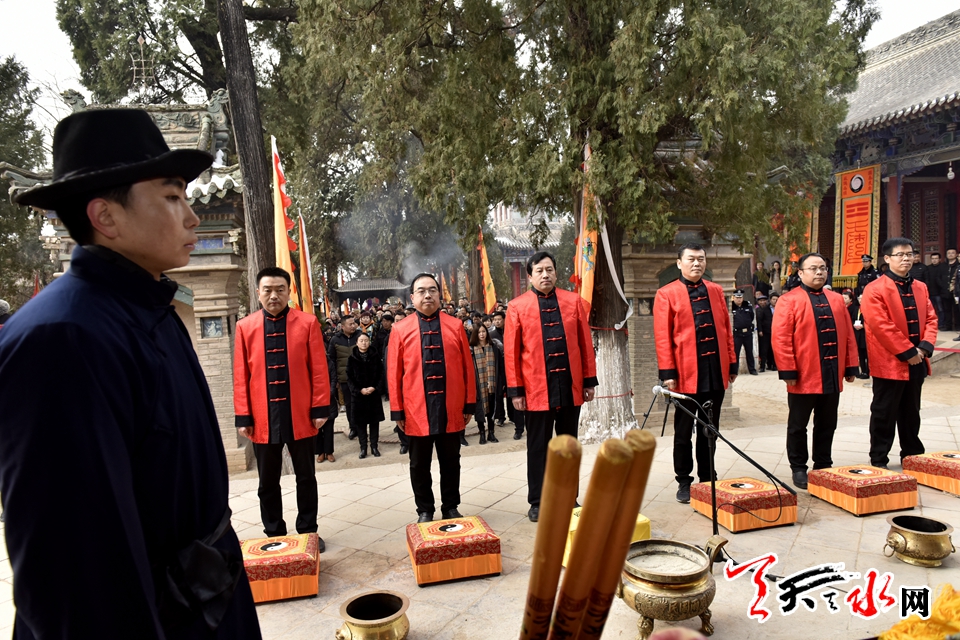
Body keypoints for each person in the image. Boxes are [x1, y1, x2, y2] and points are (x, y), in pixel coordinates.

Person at [0, 109, 261, 637]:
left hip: (204, 598)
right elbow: (72, 575)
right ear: (106, 216)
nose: (192, 217)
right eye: (172, 197)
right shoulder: (62, 338)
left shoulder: (148, 307)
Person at [234, 267, 331, 550]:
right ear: (258, 293)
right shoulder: (245, 326)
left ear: (289, 292)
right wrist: (243, 415)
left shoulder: (308, 323)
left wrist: (320, 408)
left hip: (300, 414)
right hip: (262, 417)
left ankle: (308, 531)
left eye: (280, 289)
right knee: (267, 482)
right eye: (268, 290)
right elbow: (241, 375)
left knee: (306, 477)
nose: (274, 295)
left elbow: (318, 369)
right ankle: (274, 532)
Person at [505, 251, 598, 522]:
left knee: (568, 446)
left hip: (570, 387)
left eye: (549, 269)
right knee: (538, 448)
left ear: (556, 273)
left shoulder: (574, 301)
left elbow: (585, 345)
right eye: (539, 271)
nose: (545, 275)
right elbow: (511, 353)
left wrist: (589, 381)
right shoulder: (517, 307)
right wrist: (516, 391)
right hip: (535, 390)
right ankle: (537, 501)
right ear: (530, 276)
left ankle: (570, 498)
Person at [654, 243, 738, 504]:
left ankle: (707, 477)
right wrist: (668, 372)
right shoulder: (666, 294)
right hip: (684, 375)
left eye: (701, 259)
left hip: (714, 371)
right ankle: (684, 480)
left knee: (710, 428)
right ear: (679, 263)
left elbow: (726, 329)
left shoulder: (715, 290)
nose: (697, 263)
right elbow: (663, 337)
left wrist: (732, 364)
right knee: (683, 431)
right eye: (691, 259)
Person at [388, 273, 476, 522]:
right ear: (412, 297)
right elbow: (394, 374)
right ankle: (425, 509)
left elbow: (467, 368)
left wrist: (469, 403)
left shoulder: (455, 325)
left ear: (439, 295)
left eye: (432, 290)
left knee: (451, 461)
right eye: (422, 291)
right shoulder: (399, 329)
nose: (427, 295)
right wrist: (397, 411)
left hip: (451, 406)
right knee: (419, 464)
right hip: (415, 409)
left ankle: (451, 506)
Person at [771, 253, 859, 489]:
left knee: (827, 423)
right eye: (813, 268)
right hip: (803, 375)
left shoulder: (837, 300)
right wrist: (788, 371)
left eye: (823, 268)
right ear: (800, 273)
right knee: (798, 425)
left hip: (832, 372)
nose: (819, 272)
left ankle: (823, 464)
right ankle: (798, 467)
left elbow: (848, 335)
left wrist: (850, 365)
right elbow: (780, 339)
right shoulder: (788, 300)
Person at [861, 238, 938, 469]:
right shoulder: (874, 289)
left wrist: (924, 348)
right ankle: (879, 458)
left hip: (918, 360)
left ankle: (912, 455)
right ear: (887, 258)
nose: (906, 258)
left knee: (911, 411)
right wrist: (907, 352)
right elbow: (881, 325)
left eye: (909, 254)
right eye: (900, 255)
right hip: (889, 362)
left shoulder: (920, 287)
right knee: (884, 412)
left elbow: (931, 319)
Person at [347, 332, 385, 458]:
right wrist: (359, 390)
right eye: (361, 341)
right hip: (359, 397)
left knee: (374, 423)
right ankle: (363, 448)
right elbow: (349, 377)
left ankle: (374, 447)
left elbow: (381, 374)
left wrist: (375, 388)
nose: (364, 343)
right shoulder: (352, 358)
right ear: (356, 343)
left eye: (366, 340)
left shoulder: (375, 356)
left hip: (373, 395)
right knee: (360, 424)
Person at [471, 324, 505, 444]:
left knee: (491, 409)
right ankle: (482, 433)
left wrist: (502, 382)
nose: (482, 334)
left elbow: (500, 367)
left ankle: (491, 432)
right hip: (478, 385)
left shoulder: (494, 347)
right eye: (479, 332)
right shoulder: (471, 350)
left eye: (483, 331)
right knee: (480, 410)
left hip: (492, 384)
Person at [328, 313, 360, 439]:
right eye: (350, 324)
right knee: (349, 404)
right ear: (342, 326)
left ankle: (361, 427)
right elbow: (331, 360)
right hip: (344, 378)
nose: (353, 326)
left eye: (354, 323)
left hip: (360, 377)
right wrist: (334, 379)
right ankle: (353, 427)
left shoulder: (360, 336)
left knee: (361, 404)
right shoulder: (335, 340)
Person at [731, 289, 758, 375]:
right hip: (737, 333)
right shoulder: (731, 306)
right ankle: (734, 371)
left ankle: (752, 370)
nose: (739, 299)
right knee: (736, 353)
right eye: (737, 297)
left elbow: (751, 316)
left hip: (747, 333)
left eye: (740, 297)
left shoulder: (747, 305)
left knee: (749, 352)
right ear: (734, 298)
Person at [755, 293, 774, 372]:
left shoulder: (768, 309)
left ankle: (771, 365)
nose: (762, 302)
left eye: (764, 300)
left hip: (771, 331)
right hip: (763, 332)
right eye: (761, 301)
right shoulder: (757, 310)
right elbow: (759, 321)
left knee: (771, 349)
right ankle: (762, 366)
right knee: (763, 349)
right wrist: (760, 330)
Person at [927, 252, 947, 329]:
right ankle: (932, 325)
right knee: (930, 311)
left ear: (940, 259)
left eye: (936, 258)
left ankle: (941, 324)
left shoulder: (943, 267)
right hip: (930, 292)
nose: (934, 260)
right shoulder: (928, 268)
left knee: (941, 309)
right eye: (933, 258)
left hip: (940, 293)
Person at [945, 248, 959, 331]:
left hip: (956, 292)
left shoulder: (958, 266)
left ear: (956, 255)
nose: (950, 254)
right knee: (946, 310)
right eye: (949, 253)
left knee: (957, 310)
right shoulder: (943, 266)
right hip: (945, 292)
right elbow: (938, 278)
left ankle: (957, 326)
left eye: (952, 253)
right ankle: (948, 326)